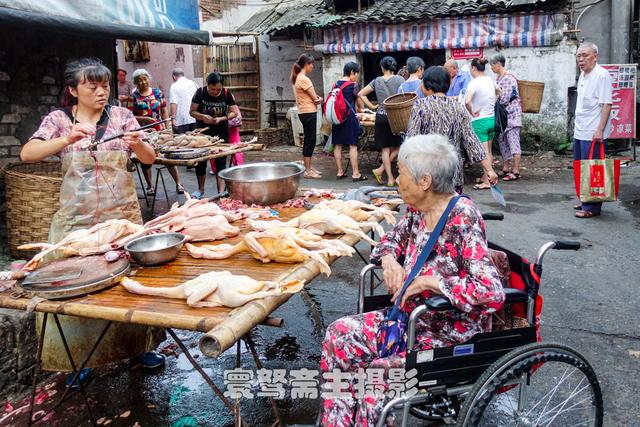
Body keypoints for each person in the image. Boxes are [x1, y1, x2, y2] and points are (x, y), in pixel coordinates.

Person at [319, 135, 505, 426]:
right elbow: (388, 242)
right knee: (338, 334)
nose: (397, 181)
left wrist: (434, 281)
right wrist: (390, 261)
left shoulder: (462, 217)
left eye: (402, 174)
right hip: (409, 321)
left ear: (425, 181)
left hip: (448, 335)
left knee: (376, 377)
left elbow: (490, 291)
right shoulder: (417, 211)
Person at [20, 58, 166, 382]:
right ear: (73, 90)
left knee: (132, 285)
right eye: (92, 85)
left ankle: (141, 346)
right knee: (75, 290)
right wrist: (66, 140)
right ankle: (77, 357)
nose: (101, 92)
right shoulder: (59, 121)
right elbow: (27, 153)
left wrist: (139, 143)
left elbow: (150, 158)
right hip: (75, 223)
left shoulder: (122, 117)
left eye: (105, 85)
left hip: (122, 219)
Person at [406, 66, 497, 192]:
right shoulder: (458, 107)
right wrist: (489, 170)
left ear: (427, 85)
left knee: (431, 211)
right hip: (453, 175)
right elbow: (472, 141)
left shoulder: (420, 106)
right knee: (452, 210)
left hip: (427, 175)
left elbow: (411, 140)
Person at [573, 42, 613, 218]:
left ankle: (592, 208)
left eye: (585, 55)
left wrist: (600, 130)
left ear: (595, 56)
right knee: (581, 167)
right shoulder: (583, 74)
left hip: (593, 131)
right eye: (579, 56)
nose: (581, 59)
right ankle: (585, 200)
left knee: (594, 168)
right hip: (580, 130)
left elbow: (606, 104)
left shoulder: (602, 75)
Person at [130, 68, 184, 195]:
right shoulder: (133, 97)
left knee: (168, 156)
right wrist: (143, 119)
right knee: (145, 160)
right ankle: (150, 186)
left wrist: (167, 127)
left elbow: (164, 111)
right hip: (143, 132)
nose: (143, 82)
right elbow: (129, 116)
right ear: (135, 83)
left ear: (149, 78)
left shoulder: (158, 93)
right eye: (139, 80)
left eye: (145, 79)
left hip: (160, 130)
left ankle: (178, 183)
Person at [190, 71, 238, 198]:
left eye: (218, 89)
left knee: (221, 162)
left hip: (221, 131)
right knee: (201, 161)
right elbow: (192, 111)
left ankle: (220, 192)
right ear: (208, 85)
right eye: (213, 89)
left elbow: (234, 112)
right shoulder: (200, 92)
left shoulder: (227, 93)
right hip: (203, 133)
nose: (216, 92)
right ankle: (200, 190)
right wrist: (202, 116)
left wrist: (221, 119)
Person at [359, 56, 404, 185]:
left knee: (385, 149)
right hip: (395, 117)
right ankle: (385, 172)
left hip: (381, 116)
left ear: (382, 68)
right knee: (400, 145)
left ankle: (388, 177)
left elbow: (361, 94)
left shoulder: (377, 80)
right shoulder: (400, 79)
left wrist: (372, 107)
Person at [490, 53, 523, 182]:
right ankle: (505, 167)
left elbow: (504, 98)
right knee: (503, 141)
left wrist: (494, 98)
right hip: (503, 118)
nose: (492, 68)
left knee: (513, 142)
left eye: (492, 65)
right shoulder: (498, 79)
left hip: (512, 116)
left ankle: (516, 170)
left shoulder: (508, 79)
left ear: (498, 64)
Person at [465, 58, 497, 190]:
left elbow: (467, 101)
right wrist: (491, 105)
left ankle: (488, 181)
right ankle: (486, 177)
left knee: (483, 153)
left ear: (473, 68)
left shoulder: (473, 83)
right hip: (491, 119)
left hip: (479, 121)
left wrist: (472, 112)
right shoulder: (490, 80)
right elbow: (498, 91)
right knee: (488, 151)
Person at [331, 62, 365, 181]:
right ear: (351, 72)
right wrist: (361, 109)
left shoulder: (335, 84)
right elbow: (360, 105)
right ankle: (356, 174)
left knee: (338, 145)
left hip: (337, 117)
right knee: (352, 145)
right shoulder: (353, 85)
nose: (357, 76)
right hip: (349, 117)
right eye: (356, 73)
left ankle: (340, 172)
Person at [292, 53, 323, 179]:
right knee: (310, 141)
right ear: (306, 64)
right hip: (308, 112)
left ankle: (308, 167)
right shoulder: (304, 79)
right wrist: (320, 99)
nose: (312, 67)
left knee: (309, 140)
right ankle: (308, 170)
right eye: (311, 64)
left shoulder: (297, 78)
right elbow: (315, 98)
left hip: (304, 112)